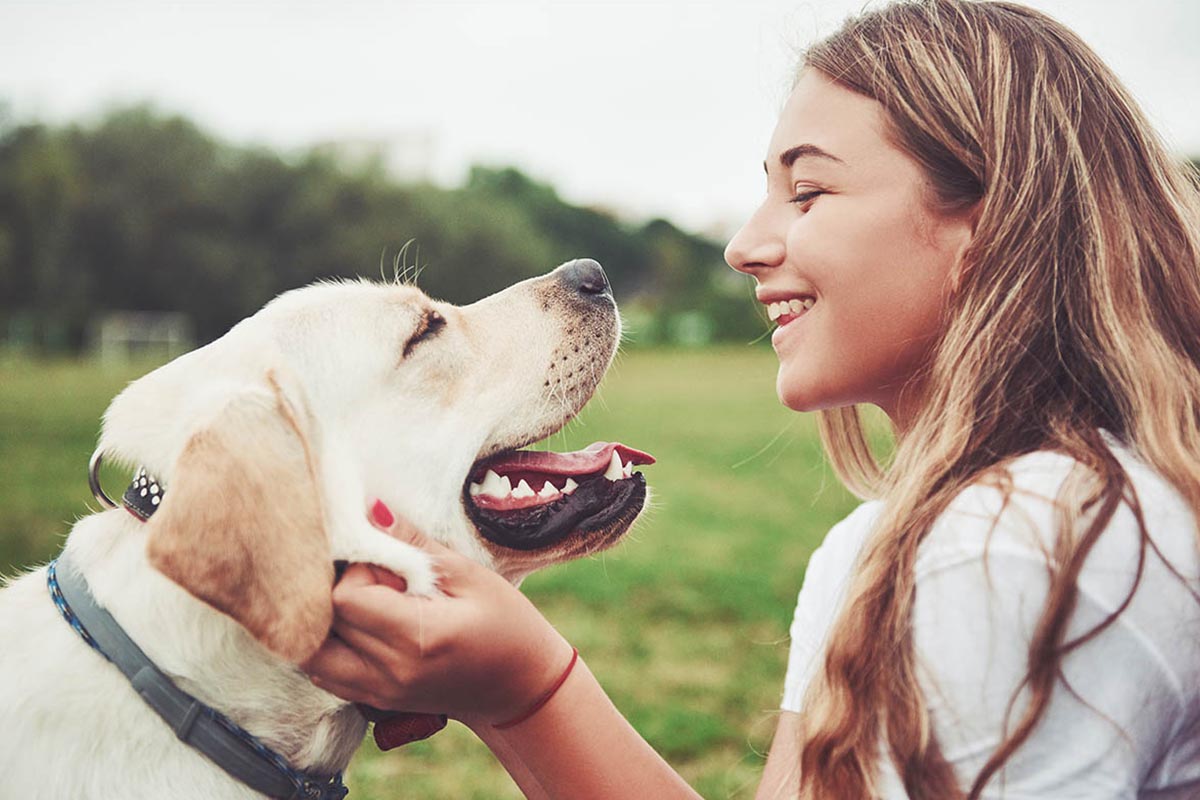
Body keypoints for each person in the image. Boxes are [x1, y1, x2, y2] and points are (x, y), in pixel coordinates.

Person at [303, 1, 1200, 797]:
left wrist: (528, 687)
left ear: (995, 224)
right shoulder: (880, 547)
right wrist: (504, 694)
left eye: (807, 192)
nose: (743, 245)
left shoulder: (1017, 541)